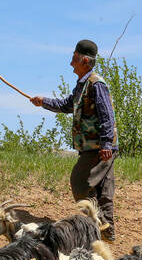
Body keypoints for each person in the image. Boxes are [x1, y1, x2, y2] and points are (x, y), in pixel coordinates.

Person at [30, 39, 119, 242]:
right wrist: (43, 102)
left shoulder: (96, 84)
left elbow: (107, 115)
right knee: (103, 191)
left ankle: (98, 223)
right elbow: (66, 105)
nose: (71, 63)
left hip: (98, 147)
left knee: (79, 183)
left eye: (74, 59)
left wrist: (106, 144)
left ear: (85, 61)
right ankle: (106, 234)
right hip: (96, 146)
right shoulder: (82, 85)